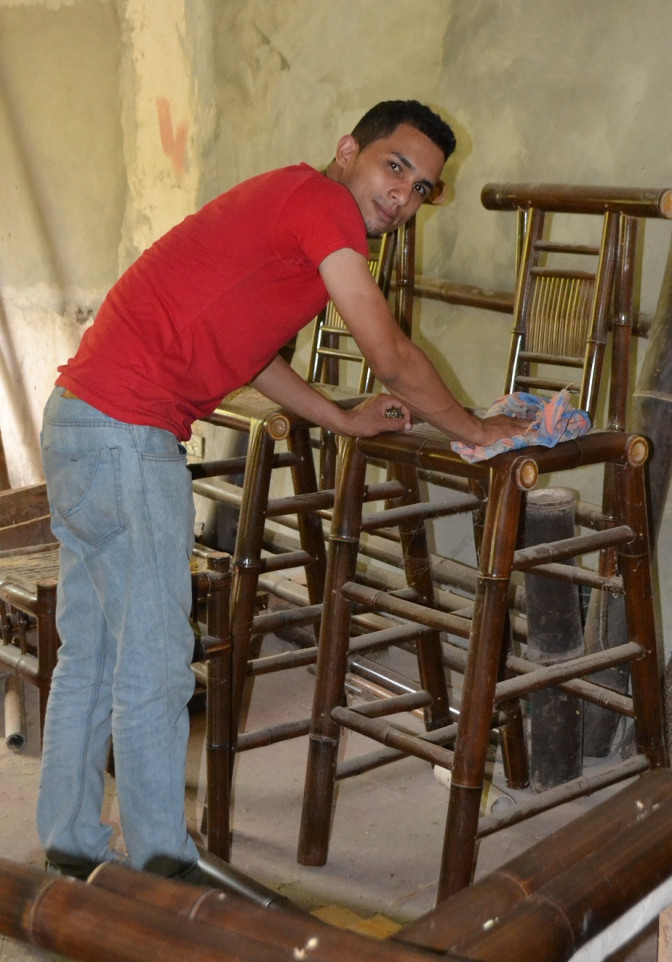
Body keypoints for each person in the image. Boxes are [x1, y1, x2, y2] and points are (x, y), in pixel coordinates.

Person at [37, 100, 521, 882]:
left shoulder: (293, 221)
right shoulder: (320, 203)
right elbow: (391, 353)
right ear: (347, 151)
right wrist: (473, 428)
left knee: (92, 654)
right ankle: (162, 865)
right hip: (126, 434)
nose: (403, 196)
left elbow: (252, 354)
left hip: (80, 426)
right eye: (394, 167)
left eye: (423, 188)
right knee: (156, 664)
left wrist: (337, 416)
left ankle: (70, 842)